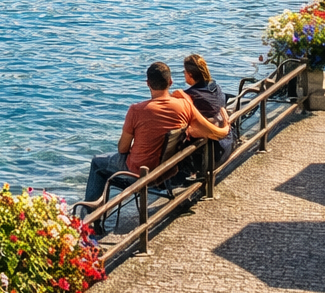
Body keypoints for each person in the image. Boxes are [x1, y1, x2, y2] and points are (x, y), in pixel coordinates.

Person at [83, 62, 222, 205]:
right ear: (170, 82)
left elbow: (122, 149)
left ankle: (88, 215)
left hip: (139, 174)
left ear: (148, 83)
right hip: (167, 171)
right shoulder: (184, 105)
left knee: (97, 163)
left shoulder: (136, 110)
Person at [179, 54, 234, 161]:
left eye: (184, 72)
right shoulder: (215, 87)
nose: (184, 74)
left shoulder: (190, 96)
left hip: (211, 155)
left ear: (190, 74)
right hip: (228, 144)